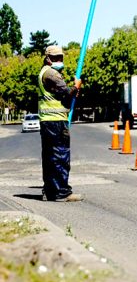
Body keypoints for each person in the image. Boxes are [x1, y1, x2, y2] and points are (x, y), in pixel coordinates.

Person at [38, 45, 84, 202]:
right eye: (56, 57)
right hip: (55, 122)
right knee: (60, 157)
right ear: (48, 58)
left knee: (50, 158)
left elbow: (62, 95)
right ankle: (61, 192)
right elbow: (66, 92)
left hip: (48, 122)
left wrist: (73, 91)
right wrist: (76, 86)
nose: (59, 60)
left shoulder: (45, 72)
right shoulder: (51, 74)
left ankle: (50, 191)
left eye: (60, 57)